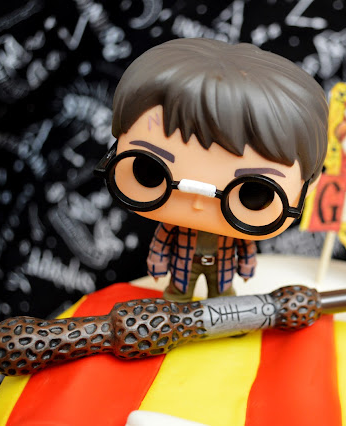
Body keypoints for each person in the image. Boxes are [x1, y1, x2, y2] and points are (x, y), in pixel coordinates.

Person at [95, 38, 328, 302]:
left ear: (310, 184)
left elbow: (245, 247)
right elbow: (161, 241)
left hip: (223, 271)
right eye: (150, 171)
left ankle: (223, 312)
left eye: (253, 192)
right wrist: (158, 263)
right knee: (177, 297)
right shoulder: (172, 226)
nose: (197, 203)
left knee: (223, 300)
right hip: (182, 270)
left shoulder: (237, 230)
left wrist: (247, 266)